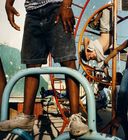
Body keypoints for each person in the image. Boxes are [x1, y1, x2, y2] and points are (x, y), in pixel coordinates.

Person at [0, 0, 89, 136]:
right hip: (32, 13)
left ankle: (75, 117)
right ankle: (27, 117)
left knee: (68, 61)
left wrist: (66, 5)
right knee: (32, 66)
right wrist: (8, 4)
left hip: (57, 8)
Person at [103, 27, 128, 140]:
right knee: (123, 92)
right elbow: (117, 49)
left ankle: (121, 118)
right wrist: (107, 59)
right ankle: (119, 116)